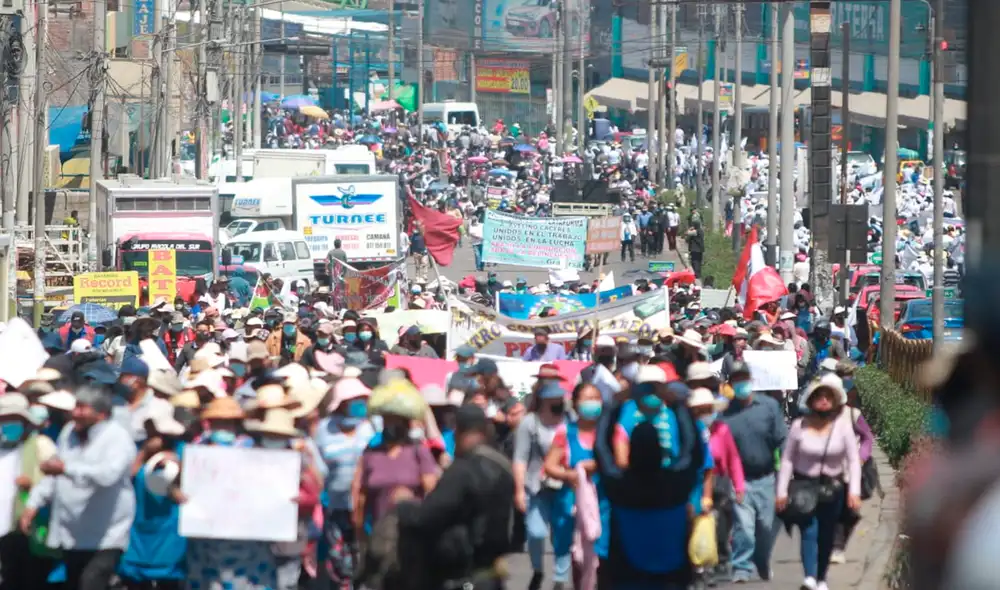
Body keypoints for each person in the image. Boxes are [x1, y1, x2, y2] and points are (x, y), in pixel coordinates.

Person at [22, 384, 138, 590]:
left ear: (101, 413)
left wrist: (66, 468)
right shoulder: (69, 433)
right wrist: (33, 504)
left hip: (106, 535)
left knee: (91, 583)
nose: (75, 413)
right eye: (75, 407)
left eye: (82, 408)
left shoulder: (117, 438)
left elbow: (107, 475)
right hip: (72, 534)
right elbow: (54, 474)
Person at [395, 404, 516, 590]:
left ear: (458, 432)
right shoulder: (503, 467)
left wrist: (404, 505)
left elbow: (427, 517)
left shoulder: (462, 471)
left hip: (463, 576)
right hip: (492, 575)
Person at [777, 374, 861, 590]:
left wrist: (854, 491)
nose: (823, 401)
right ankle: (810, 577)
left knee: (826, 534)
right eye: (819, 397)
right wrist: (781, 491)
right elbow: (787, 460)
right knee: (809, 530)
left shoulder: (842, 426)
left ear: (834, 402)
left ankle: (821, 578)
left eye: (828, 397)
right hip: (805, 486)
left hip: (833, 488)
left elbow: (853, 461)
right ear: (811, 401)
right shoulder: (798, 426)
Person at [722, 363, 788, 583]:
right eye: (736, 380)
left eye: (744, 379)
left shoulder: (768, 406)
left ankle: (762, 561)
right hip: (739, 480)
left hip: (767, 477)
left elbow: (782, 439)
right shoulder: (726, 414)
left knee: (766, 527)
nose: (741, 384)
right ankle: (741, 567)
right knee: (744, 527)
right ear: (731, 384)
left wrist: (787, 472)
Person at [314, 376, 374, 589]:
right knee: (340, 566)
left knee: (367, 562)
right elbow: (318, 470)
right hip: (336, 509)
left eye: (361, 399)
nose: (359, 403)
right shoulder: (323, 430)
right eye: (353, 400)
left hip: (367, 510)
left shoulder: (373, 427)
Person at [542, 382, 604, 590]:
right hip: (572, 502)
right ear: (575, 405)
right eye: (587, 399)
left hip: (603, 502)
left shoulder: (609, 432)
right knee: (578, 556)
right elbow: (550, 466)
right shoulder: (565, 433)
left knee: (602, 555)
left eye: (596, 398)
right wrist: (571, 474)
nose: (592, 403)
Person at [514, 381, 571, 590]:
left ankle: (560, 578)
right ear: (543, 401)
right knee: (536, 532)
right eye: (554, 398)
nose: (559, 402)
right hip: (537, 487)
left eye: (561, 398)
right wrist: (519, 490)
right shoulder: (530, 423)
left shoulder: (570, 420)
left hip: (565, 486)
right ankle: (537, 570)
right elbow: (520, 458)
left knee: (563, 533)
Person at [0, 393, 57, 590]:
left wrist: (32, 485)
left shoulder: (41, 445)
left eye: (12, 419)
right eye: (3, 419)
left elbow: (55, 485)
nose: (7, 424)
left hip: (28, 529)